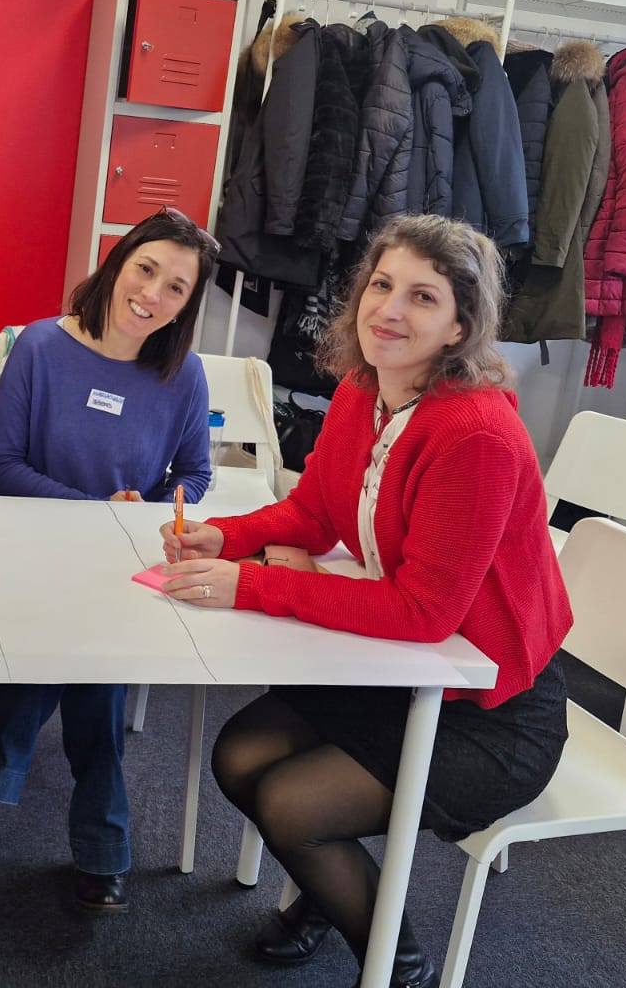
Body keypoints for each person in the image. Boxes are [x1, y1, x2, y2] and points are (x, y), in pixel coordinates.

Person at [160, 214, 572, 988]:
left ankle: (400, 966)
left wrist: (253, 584)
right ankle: (331, 887)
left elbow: (424, 612)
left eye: (423, 297)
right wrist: (227, 536)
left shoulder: (476, 434)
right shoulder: (362, 388)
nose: (390, 309)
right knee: (238, 757)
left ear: (460, 327)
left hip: (491, 709)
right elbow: (315, 512)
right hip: (404, 670)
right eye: (382, 285)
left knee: (292, 805)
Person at [0, 207, 217, 913]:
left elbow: (194, 475)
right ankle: (102, 849)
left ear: (188, 304)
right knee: (91, 667)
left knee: (82, 656)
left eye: (176, 287)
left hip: (118, 565)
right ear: (118, 263)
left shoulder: (183, 376)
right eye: (146, 270)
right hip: (30, 552)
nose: (153, 294)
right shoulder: (39, 346)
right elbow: (1, 465)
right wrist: (93, 508)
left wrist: (152, 505)